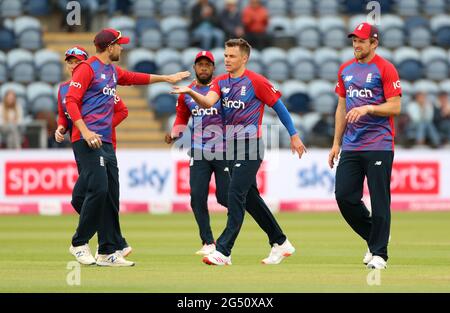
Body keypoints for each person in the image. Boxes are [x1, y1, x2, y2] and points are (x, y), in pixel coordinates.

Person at [172, 38, 306, 266]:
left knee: (234, 195)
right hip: (230, 147)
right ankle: (280, 241)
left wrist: (293, 134)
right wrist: (191, 92)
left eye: (232, 56)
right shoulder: (221, 81)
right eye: (225, 55)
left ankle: (223, 250)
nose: (227, 60)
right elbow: (207, 102)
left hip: (251, 146)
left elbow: (279, 106)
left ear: (244, 58)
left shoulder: (256, 81)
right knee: (250, 199)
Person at [65, 28, 190, 266]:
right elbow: (71, 100)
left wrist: (166, 78)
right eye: (119, 44)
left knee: (111, 196)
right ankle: (79, 243)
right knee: (99, 190)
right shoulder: (86, 68)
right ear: (110, 47)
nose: (122, 48)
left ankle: (107, 252)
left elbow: (134, 78)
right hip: (87, 139)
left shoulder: (111, 71)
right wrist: (85, 130)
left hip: (106, 141)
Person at [329, 22, 402, 270]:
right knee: (344, 197)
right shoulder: (345, 69)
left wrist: (369, 107)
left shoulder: (386, 68)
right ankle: (376, 236)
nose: (356, 45)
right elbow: (341, 107)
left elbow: (395, 106)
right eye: (354, 40)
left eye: (361, 40)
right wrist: (336, 142)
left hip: (379, 144)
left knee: (380, 199)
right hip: (351, 144)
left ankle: (379, 253)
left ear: (374, 43)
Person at [55, 45, 132, 259]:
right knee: (88, 196)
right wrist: (61, 128)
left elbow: (122, 110)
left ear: (86, 64)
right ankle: (111, 243)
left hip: (101, 144)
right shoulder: (62, 89)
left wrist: (101, 128)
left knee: (97, 194)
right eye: (70, 61)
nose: (73, 65)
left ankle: (109, 243)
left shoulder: (98, 82)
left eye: (77, 61)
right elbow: (64, 115)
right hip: (83, 145)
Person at [166, 50, 229, 256]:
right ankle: (208, 242)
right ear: (194, 67)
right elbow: (182, 117)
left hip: (224, 151)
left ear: (213, 67)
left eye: (207, 64)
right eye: (200, 64)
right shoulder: (188, 91)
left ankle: (232, 233)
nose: (203, 68)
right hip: (200, 152)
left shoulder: (221, 88)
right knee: (197, 197)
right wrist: (175, 132)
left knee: (224, 197)